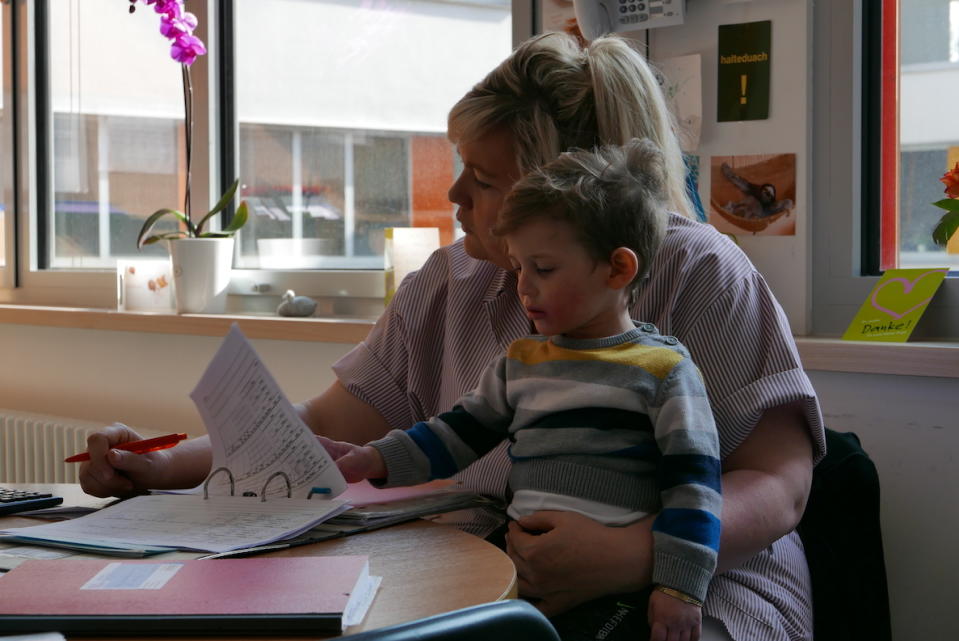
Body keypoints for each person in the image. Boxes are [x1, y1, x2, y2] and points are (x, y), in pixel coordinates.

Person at [80, 32, 825, 641]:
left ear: (558, 190)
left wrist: (635, 554)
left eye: (482, 176)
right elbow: (314, 432)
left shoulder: (698, 269)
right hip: (503, 582)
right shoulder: (447, 283)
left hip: (698, 589)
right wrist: (167, 464)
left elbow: (781, 481)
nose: (453, 195)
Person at [323, 139, 721, 641]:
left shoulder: (664, 370)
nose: (524, 288)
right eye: (517, 269)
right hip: (523, 576)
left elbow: (696, 488)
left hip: (619, 595)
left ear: (618, 268)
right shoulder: (521, 363)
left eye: (545, 269)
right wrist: (373, 460)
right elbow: (451, 438)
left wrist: (680, 587)